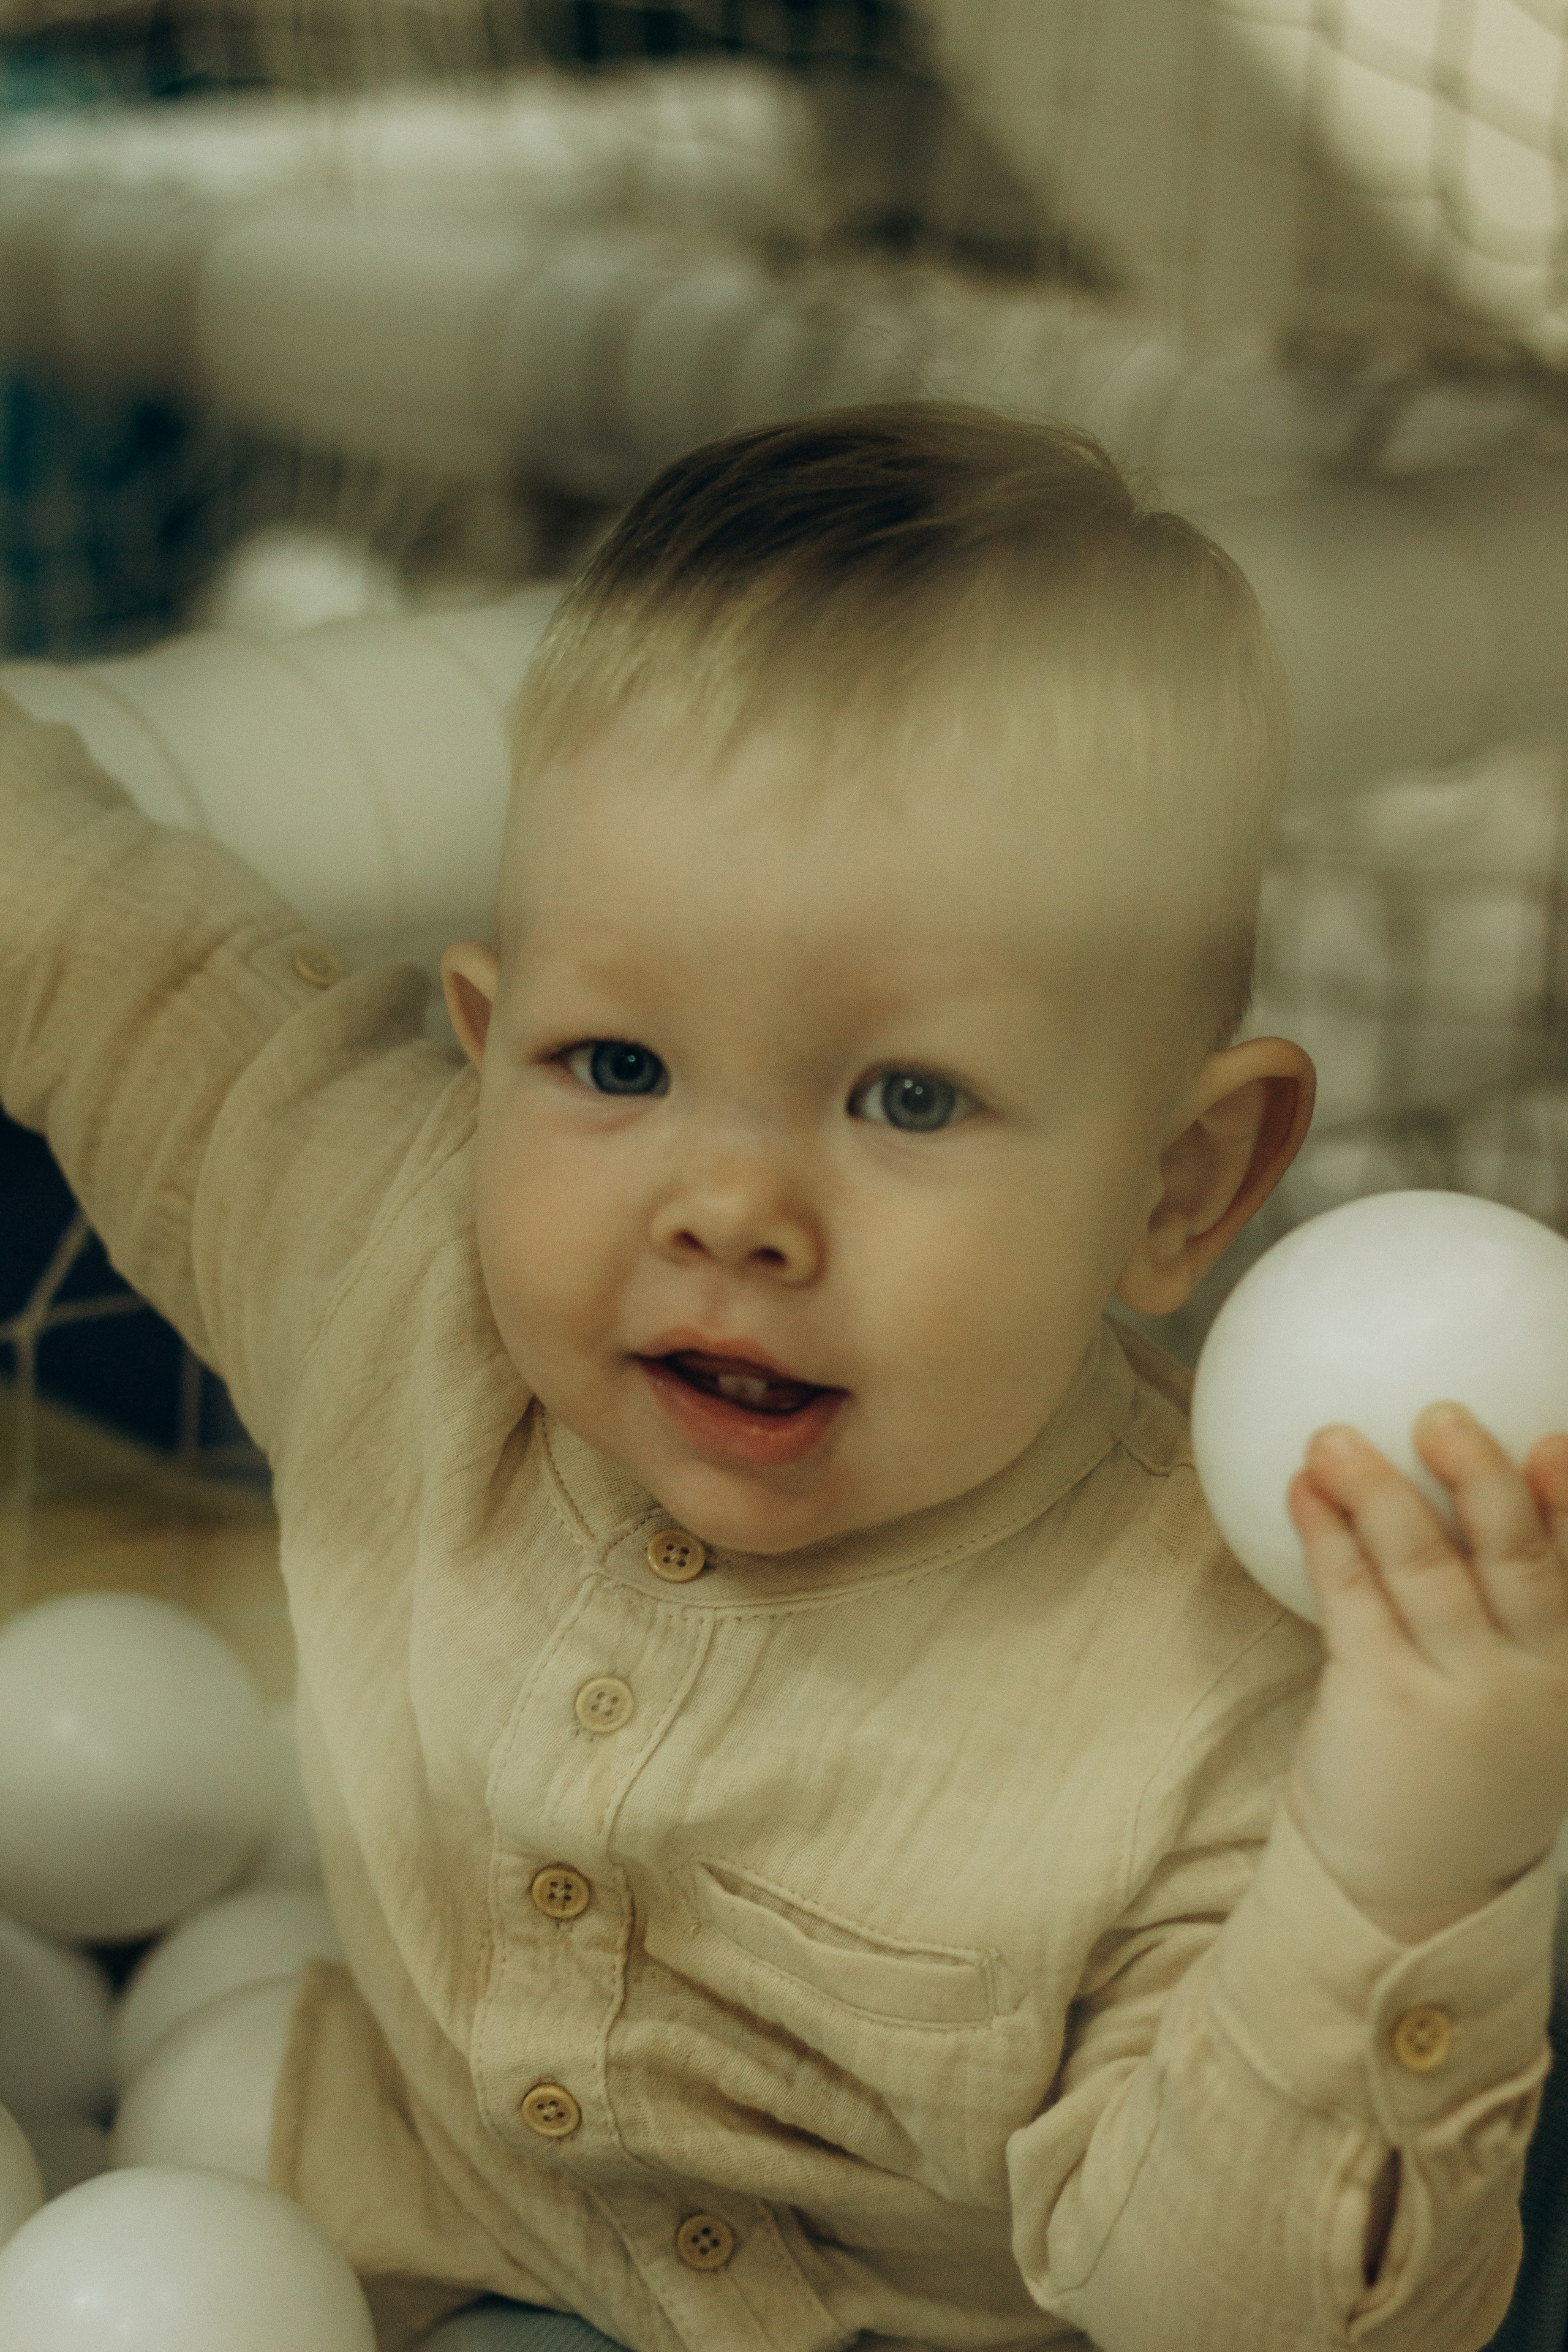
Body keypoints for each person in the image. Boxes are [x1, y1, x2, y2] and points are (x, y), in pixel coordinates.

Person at [3, 401, 1567, 2352]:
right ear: (484, 1051)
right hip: (417, 2188)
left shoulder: (1224, 1695)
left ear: (1182, 1186)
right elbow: (130, 979)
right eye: (619, 1067)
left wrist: (1412, 1840)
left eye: (906, 1095)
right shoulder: (385, 1260)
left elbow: (1231, 2318)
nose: (731, 1208)